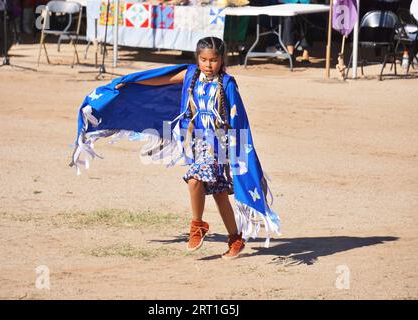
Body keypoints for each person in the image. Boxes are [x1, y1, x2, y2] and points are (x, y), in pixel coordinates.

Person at [71, 37, 281, 260]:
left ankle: (197, 225)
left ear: (222, 60)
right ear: (197, 59)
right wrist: (131, 83)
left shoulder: (228, 84)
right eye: (204, 59)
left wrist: (239, 155)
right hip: (197, 142)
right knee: (219, 194)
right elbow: (162, 79)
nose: (208, 65)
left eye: (214, 60)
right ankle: (235, 239)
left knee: (194, 180)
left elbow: (239, 120)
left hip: (220, 144)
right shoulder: (191, 75)